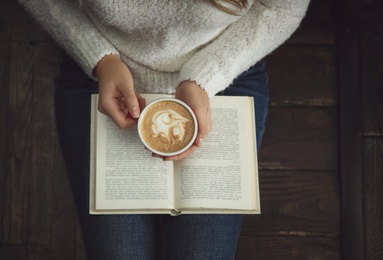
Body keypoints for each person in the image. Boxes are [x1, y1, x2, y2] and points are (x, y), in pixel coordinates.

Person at [18, 0, 310, 259]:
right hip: (99, 72)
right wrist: (99, 58)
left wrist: (205, 76)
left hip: (225, 67)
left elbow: (282, 8)